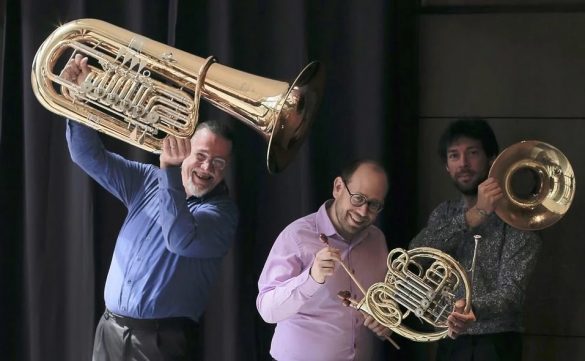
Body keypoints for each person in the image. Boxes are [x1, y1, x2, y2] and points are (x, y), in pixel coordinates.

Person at [61, 54, 239, 360]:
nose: (208, 167)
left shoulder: (222, 215)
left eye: (219, 162)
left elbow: (179, 238)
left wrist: (170, 171)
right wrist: (80, 97)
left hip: (161, 343)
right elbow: (87, 156)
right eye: (201, 155)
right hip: (109, 330)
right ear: (185, 147)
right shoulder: (148, 180)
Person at [410, 118, 542, 361]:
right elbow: (415, 255)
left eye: (472, 153)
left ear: (492, 159)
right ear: (447, 167)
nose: (463, 164)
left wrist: (472, 308)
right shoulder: (445, 213)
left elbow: (512, 292)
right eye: (454, 156)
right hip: (449, 341)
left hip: (497, 343)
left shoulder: (518, 218)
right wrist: (474, 215)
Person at [256, 159, 392, 360]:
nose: (363, 212)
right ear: (338, 187)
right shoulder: (296, 236)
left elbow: (382, 301)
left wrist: (385, 321)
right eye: (358, 198)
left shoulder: (377, 240)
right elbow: (267, 310)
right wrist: (311, 278)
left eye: (373, 204)